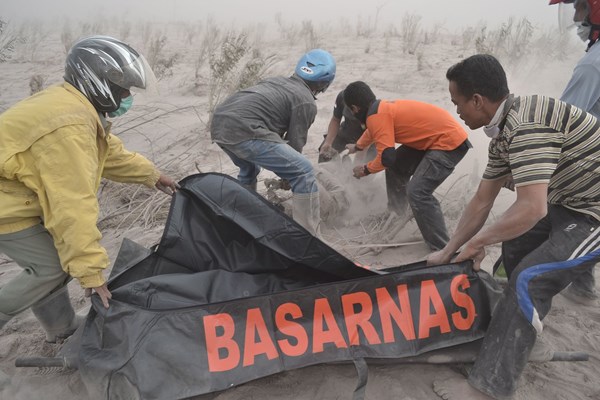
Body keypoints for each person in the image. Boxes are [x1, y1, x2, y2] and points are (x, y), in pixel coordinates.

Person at [427, 54, 600, 400]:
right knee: (515, 246)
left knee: (528, 278)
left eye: (458, 103)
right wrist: (450, 249)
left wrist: (478, 242)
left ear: (478, 100)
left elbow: (532, 208)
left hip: (592, 214)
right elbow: (482, 200)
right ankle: (524, 336)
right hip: (568, 201)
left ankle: (489, 388)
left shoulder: (526, 128)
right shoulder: (504, 133)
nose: (457, 111)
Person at [0, 36, 179, 343]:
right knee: (52, 267)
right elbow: (72, 205)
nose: (127, 96)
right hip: (8, 202)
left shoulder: (72, 104)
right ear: (98, 82)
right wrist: (91, 273)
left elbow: (109, 154)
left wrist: (152, 175)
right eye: (123, 88)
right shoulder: (68, 127)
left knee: (56, 259)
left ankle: (62, 329)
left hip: (17, 192)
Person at [210, 49, 336, 235]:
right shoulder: (306, 101)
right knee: (303, 171)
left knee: (249, 168)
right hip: (245, 129)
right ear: (325, 83)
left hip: (220, 123)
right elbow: (295, 144)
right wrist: (288, 177)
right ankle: (308, 236)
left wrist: (285, 174)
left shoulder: (276, 81)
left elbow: (268, 124)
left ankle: (242, 220)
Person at [343, 81, 471, 251]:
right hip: (434, 139)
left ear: (354, 108)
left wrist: (365, 170)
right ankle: (397, 212)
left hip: (448, 143)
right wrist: (358, 147)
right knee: (397, 167)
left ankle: (442, 248)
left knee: (417, 192)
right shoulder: (380, 109)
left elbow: (387, 158)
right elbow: (373, 132)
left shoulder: (376, 116)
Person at [549, 0, 599, 303]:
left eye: (579, 8)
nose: (575, 16)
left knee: (555, 210)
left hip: (588, 161)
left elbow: (564, 120)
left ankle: (576, 287)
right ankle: (582, 286)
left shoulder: (592, 65)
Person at [318, 89, 376, 163]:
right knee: (325, 153)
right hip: (347, 131)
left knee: (369, 165)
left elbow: (367, 142)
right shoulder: (343, 97)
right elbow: (335, 120)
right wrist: (328, 142)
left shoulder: (372, 108)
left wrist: (356, 164)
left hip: (370, 138)